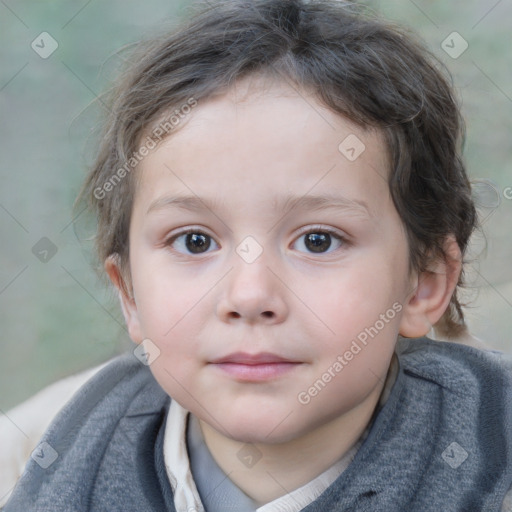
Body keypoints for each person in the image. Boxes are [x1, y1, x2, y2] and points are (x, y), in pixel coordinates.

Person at [4, 1, 512, 510]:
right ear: (129, 293)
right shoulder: (30, 464)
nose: (250, 296)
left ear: (423, 282)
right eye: (194, 241)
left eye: (318, 240)